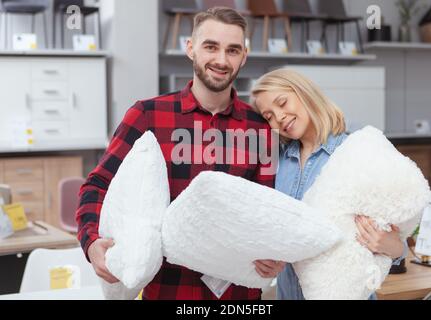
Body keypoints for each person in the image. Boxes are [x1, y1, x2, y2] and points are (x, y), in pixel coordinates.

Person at [76, 7, 282, 300]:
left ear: (244, 56)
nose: (222, 60)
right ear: (190, 48)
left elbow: (270, 209)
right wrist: (92, 242)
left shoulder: (259, 128)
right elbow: (98, 186)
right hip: (167, 291)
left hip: (239, 297)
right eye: (211, 47)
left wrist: (274, 250)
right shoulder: (147, 116)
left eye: (233, 50)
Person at [250, 68, 408, 300]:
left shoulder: (356, 150)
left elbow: (400, 248)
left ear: (304, 93)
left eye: (282, 103)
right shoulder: (276, 162)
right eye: (269, 116)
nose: (279, 117)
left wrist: (391, 245)